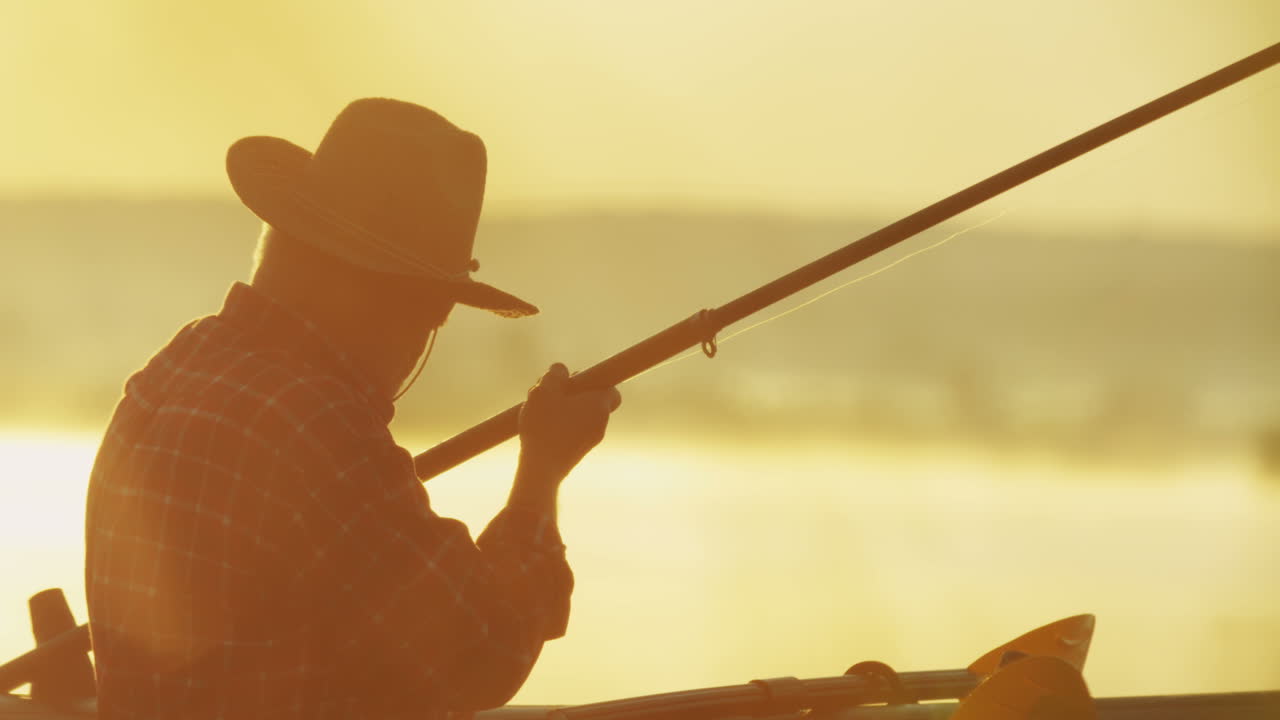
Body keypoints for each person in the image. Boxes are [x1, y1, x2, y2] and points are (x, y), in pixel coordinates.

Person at [84, 98, 622, 720]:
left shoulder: (172, 370)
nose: (423, 337)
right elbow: (483, 651)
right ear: (385, 298)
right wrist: (541, 474)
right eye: (433, 312)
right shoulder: (316, 425)